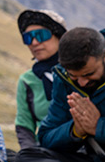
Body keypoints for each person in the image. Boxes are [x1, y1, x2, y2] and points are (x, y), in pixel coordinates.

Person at [14, 27, 105, 162]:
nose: (81, 83)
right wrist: (75, 130)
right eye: (74, 76)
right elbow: (46, 136)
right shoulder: (63, 79)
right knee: (26, 159)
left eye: (88, 74)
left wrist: (98, 127)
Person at [13, 9, 67, 150]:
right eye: (28, 38)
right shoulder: (27, 80)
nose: (35, 42)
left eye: (41, 35)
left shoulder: (79, 70)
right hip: (46, 150)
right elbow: (24, 125)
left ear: (59, 37)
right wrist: (29, 153)